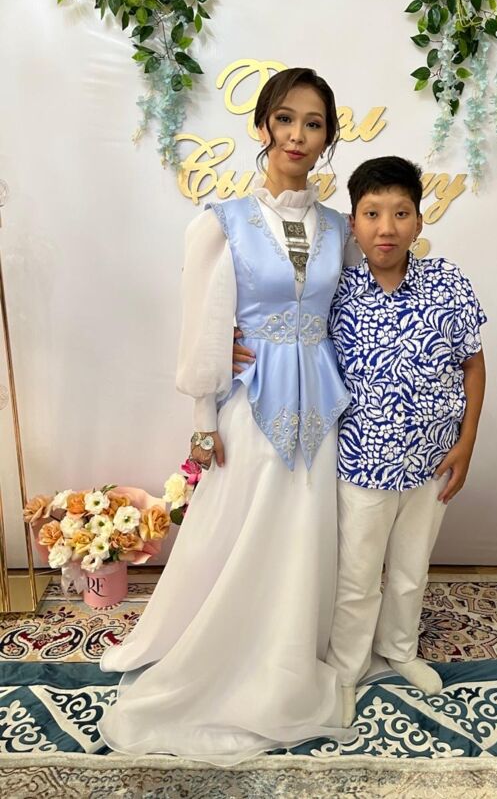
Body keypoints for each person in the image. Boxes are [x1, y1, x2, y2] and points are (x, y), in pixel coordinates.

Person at [98, 67, 358, 764]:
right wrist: (204, 416)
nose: (298, 135)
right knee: (237, 526)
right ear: (263, 125)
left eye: (314, 123)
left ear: (328, 137)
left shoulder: (341, 228)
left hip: (321, 404)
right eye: (286, 119)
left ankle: (289, 654)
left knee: (303, 530)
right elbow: (206, 325)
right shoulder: (223, 222)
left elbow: (352, 313)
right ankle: (222, 652)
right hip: (250, 402)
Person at [325, 156, 487, 726]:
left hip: (433, 461)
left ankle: (399, 649)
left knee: (411, 568)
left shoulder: (448, 282)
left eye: (400, 213)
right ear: (353, 223)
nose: (386, 227)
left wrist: (466, 442)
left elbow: (473, 363)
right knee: (356, 577)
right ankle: (346, 669)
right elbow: (287, 335)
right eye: (372, 214)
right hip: (361, 463)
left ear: (419, 220)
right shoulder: (336, 290)